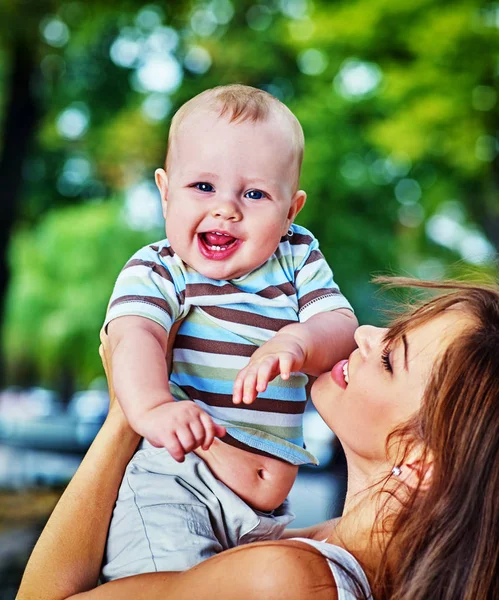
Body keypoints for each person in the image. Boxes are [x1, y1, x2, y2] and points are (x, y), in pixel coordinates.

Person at [17, 278, 498, 599]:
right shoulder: (331, 552)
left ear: (418, 460)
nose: (367, 334)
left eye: (392, 359)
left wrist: (128, 413)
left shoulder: (289, 583)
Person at [101, 84, 358, 578]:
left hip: (263, 516)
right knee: (166, 587)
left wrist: (298, 341)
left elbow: (341, 327)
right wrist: (152, 406)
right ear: (164, 191)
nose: (227, 208)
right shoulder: (161, 268)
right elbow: (134, 336)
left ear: (290, 211)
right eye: (203, 187)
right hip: (175, 485)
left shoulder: (297, 257)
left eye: (255, 194)